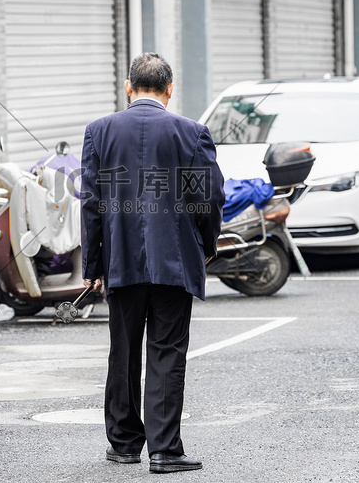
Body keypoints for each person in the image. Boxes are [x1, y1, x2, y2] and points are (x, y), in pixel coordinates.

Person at [81, 53, 225, 474]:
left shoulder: (99, 132)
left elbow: (91, 202)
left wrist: (93, 264)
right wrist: (206, 243)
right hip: (175, 260)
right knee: (166, 351)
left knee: (122, 351)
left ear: (129, 87)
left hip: (120, 261)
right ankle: (164, 450)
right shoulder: (191, 133)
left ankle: (124, 444)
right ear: (169, 89)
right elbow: (208, 198)